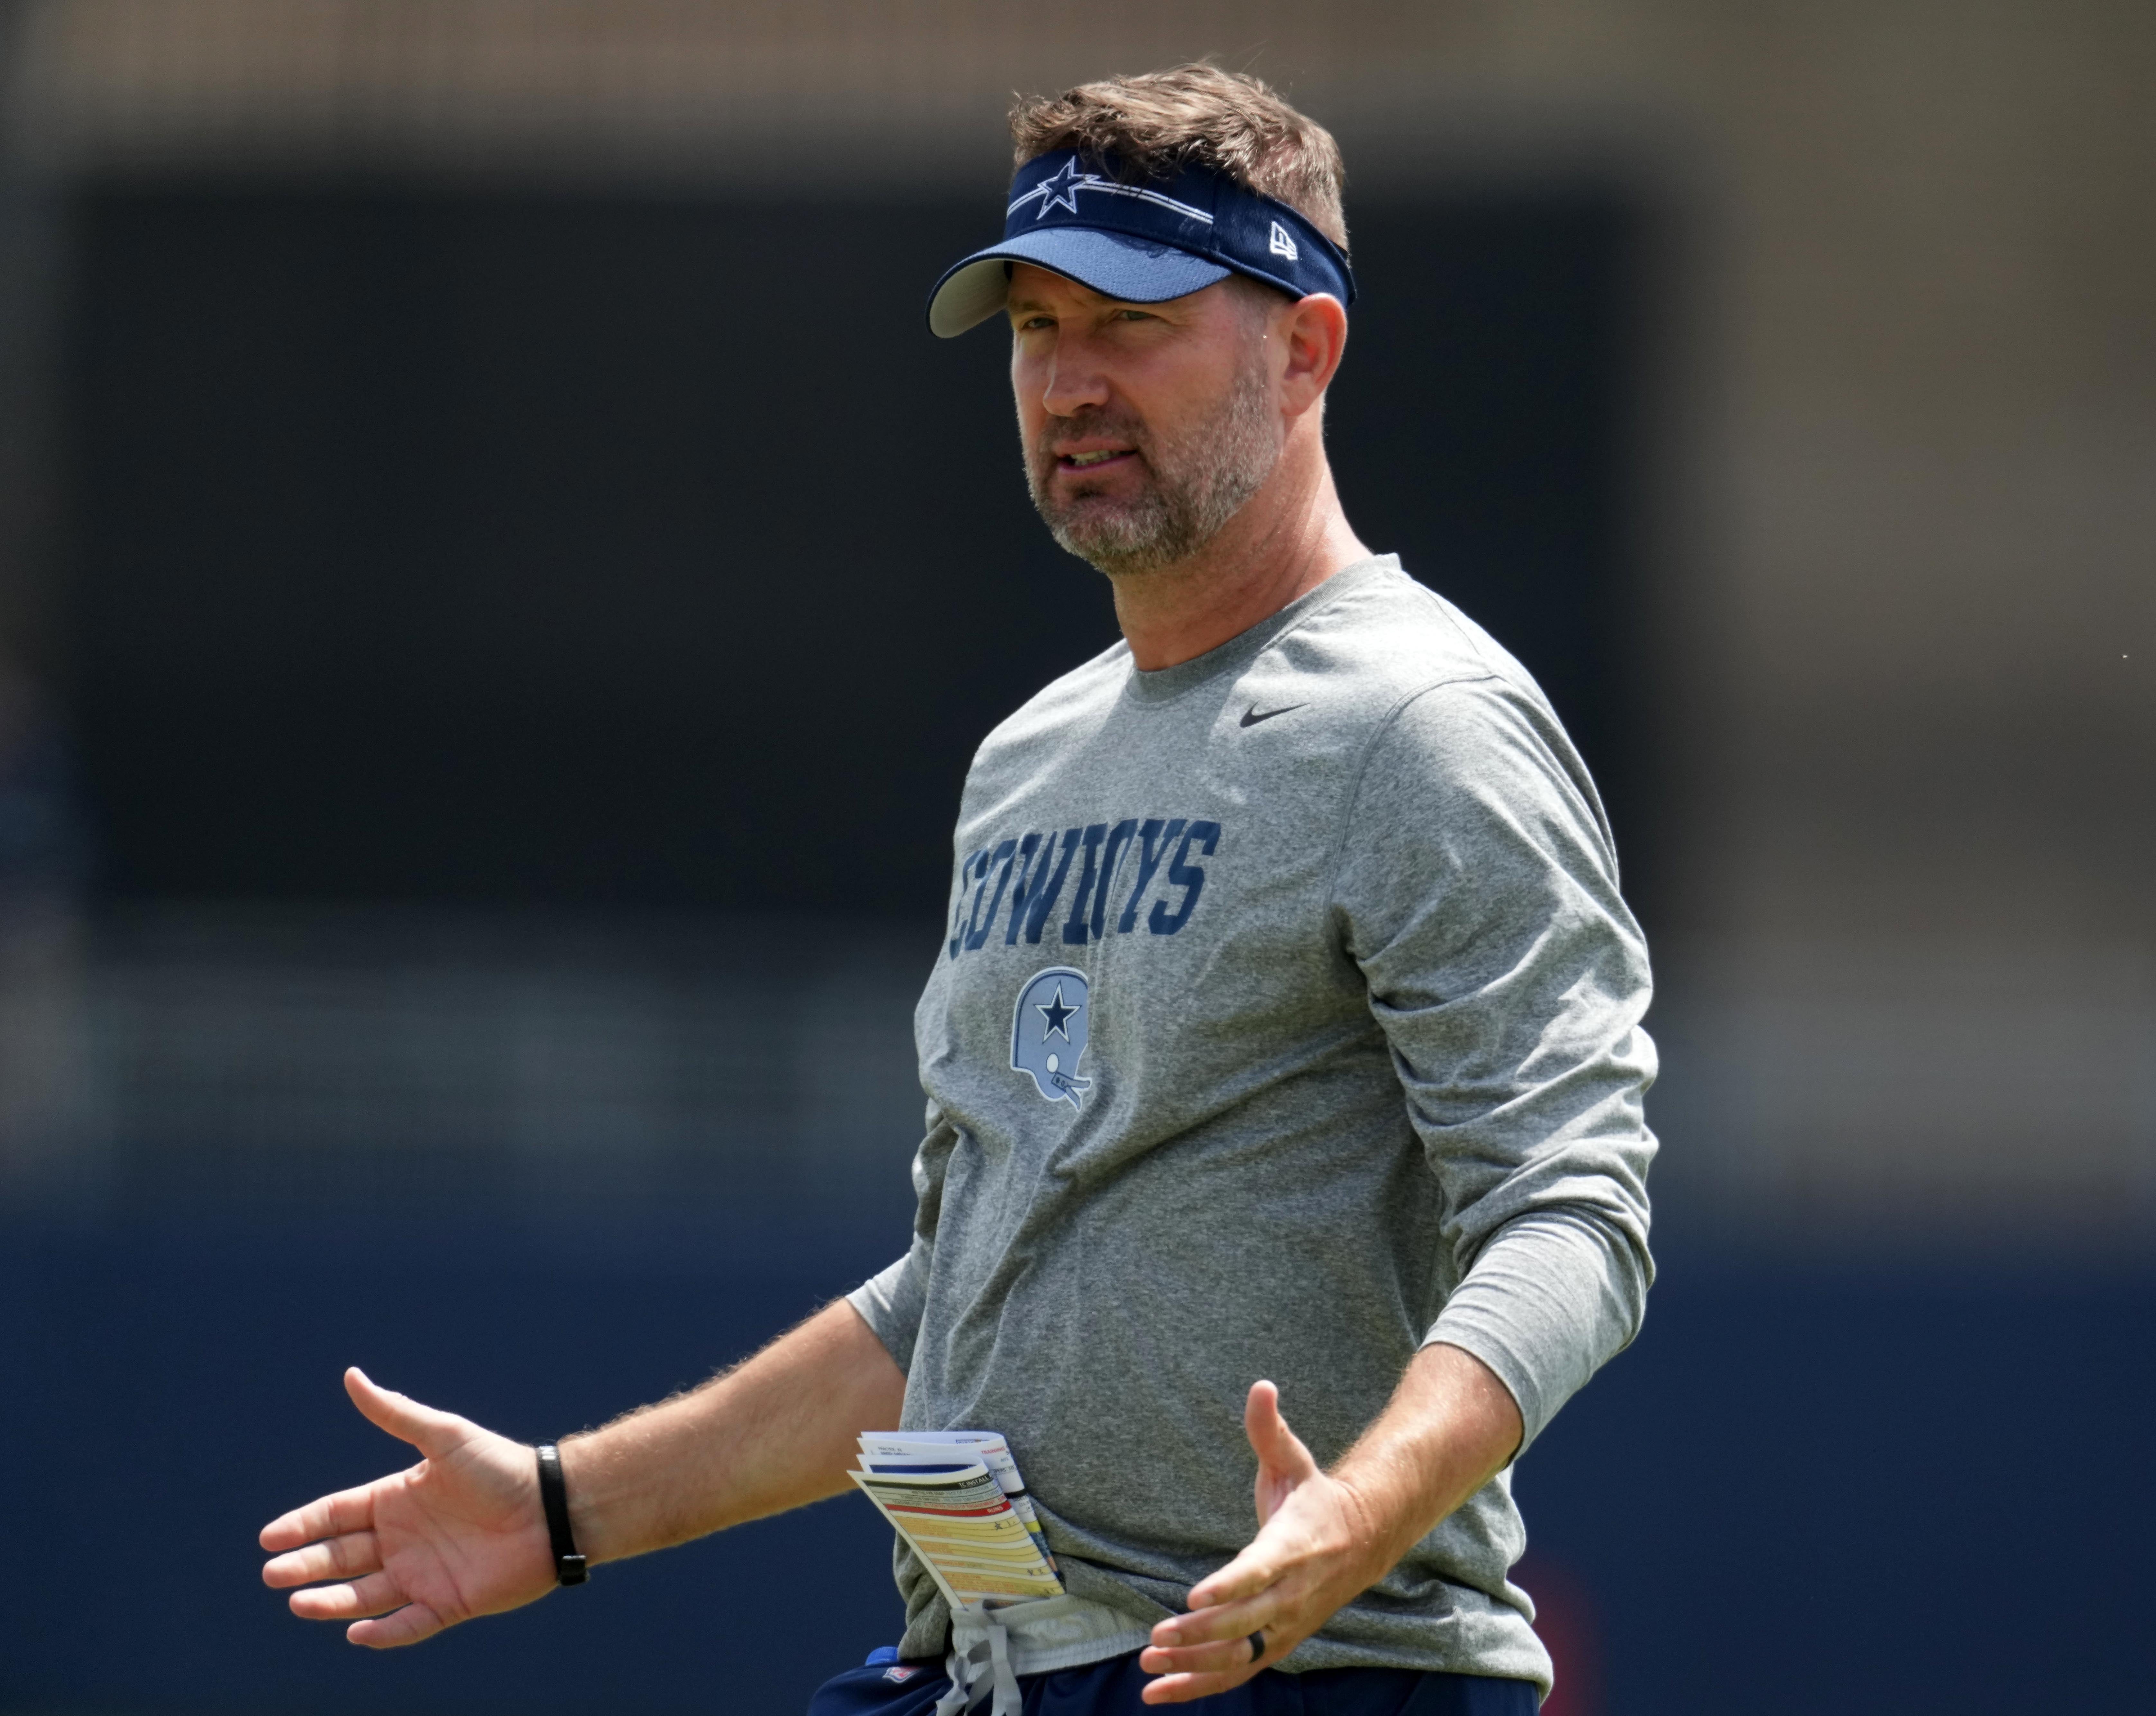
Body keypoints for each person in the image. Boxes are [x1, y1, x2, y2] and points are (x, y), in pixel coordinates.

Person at [259, 65, 1656, 1716]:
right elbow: (956, 1292)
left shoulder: (1420, 723)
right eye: (1036, 326)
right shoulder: (1030, 761)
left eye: (1132, 321)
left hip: (1298, 1672)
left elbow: (1574, 1207)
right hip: (982, 1669)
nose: (1070, 381)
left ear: (1304, 350)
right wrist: (565, 1507)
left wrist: (1360, 1509)